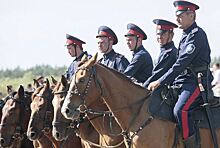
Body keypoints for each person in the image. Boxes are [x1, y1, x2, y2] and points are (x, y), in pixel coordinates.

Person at [148, 1, 213, 147]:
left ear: (191, 15)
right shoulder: (186, 35)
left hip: (197, 82)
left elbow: (181, 63)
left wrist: (161, 81)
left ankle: (190, 145)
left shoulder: (197, 35)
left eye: (181, 15)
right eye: (176, 16)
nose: (177, 19)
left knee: (180, 110)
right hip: (184, 80)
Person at [143, 19, 178, 88]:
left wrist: (143, 87)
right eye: (158, 34)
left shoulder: (170, 53)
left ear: (171, 35)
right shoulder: (164, 51)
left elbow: (157, 74)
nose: (159, 37)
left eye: (163, 34)